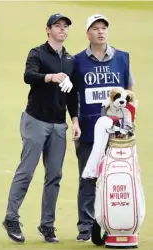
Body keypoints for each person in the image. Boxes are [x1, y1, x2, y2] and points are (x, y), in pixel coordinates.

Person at [2, 13, 81, 244]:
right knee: (26, 171)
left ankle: (47, 225)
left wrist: (75, 120)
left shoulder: (69, 60)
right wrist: (50, 77)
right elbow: (28, 76)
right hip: (36, 119)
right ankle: (11, 218)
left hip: (58, 124)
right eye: (58, 26)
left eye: (66, 27)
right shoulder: (37, 53)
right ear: (48, 30)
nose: (63, 30)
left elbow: (72, 94)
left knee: (54, 175)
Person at [73, 14, 134, 242]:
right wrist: (75, 121)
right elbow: (74, 97)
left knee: (116, 178)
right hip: (87, 131)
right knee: (87, 178)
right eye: (96, 28)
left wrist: (129, 122)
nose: (101, 32)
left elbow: (129, 94)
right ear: (87, 33)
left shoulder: (122, 58)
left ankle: (112, 223)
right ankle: (85, 226)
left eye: (104, 28)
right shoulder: (77, 61)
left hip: (117, 132)